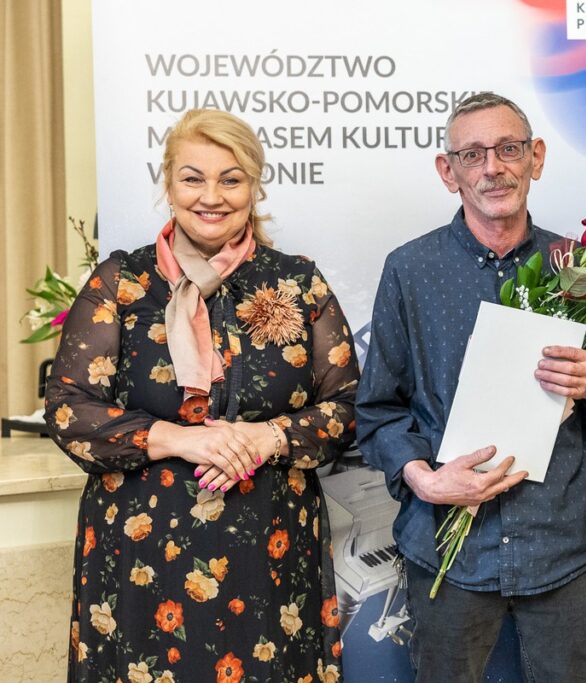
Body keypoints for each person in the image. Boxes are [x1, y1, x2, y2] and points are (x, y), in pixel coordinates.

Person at [45, 108, 358, 683]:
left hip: (269, 552)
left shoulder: (298, 282)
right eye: (193, 178)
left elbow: (346, 409)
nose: (211, 196)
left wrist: (268, 437)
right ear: (168, 183)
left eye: (230, 179)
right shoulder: (121, 283)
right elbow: (69, 408)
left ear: (254, 186)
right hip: (141, 554)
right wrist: (179, 440)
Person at [355, 92, 586, 682]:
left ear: (536, 157)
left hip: (557, 544)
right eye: (472, 154)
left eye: (509, 149)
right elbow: (378, 410)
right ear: (449, 172)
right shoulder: (409, 270)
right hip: (447, 547)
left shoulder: (581, 267)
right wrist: (425, 480)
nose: (493, 167)